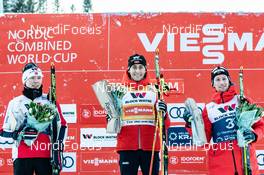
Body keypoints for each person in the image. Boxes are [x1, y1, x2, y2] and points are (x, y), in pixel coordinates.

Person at [183, 66, 264, 175]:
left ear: (229, 80)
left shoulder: (242, 100)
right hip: (220, 165)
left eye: (224, 78)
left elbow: (261, 125)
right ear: (213, 84)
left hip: (245, 160)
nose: (222, 82)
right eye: (217, 79)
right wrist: (190, 124)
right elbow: (203, 140)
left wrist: (254, 135)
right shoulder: (209, 109)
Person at [0, 63, 67, 175]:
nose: (36, 81)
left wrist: (58, 148)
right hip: (22, 155)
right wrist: (16, 134)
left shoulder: (50, 100)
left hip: (46, 154)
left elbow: (62, 125)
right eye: (32, 78)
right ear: (25, 80)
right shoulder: (15, 103)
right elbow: (4, 131)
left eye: (39, 77)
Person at [109, 54, 170, 175]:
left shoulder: (154, 90)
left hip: (150, 147)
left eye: (141, 67)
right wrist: (111, 117)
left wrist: (164, 113)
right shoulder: (119, 91)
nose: (137, 71)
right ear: (128, 69)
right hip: (127, 147)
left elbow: (165, 124)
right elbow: (112, 125)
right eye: (134, 67)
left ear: (145, 69)